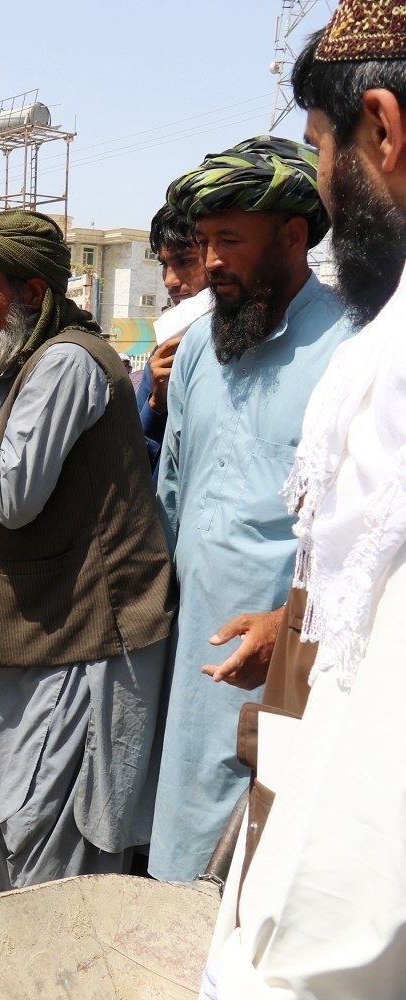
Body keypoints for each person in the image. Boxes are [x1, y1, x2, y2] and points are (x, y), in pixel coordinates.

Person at [203, 12, 406, 991]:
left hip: (359, 847)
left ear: (383, 130)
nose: (324, 178)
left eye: (322, 145)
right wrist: (293, 623)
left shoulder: (385, 357)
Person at [0, 210, 174, 892]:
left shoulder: (68, 362)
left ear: (35, 293)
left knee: (55, 861)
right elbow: (45, 494)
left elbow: (12, 492)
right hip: (45, 631)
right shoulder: (37, 362)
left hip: (88, 638)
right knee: (11, 836)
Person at [148, 136, 352, 883]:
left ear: (293, 237)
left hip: (296, 665)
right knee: (184, 871)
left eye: (229, 241)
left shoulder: (355, 349)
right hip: (194, 655)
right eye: (204, 242)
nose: (210, 263)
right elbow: (173, 490)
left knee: (272, 869)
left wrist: (285, 625)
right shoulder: (199, 347)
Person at [137, 204, 210, 470]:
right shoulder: (165, 351)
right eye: (164, 264)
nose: (169, 281)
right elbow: (132, 457)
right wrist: (157, 403)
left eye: (185, 261)